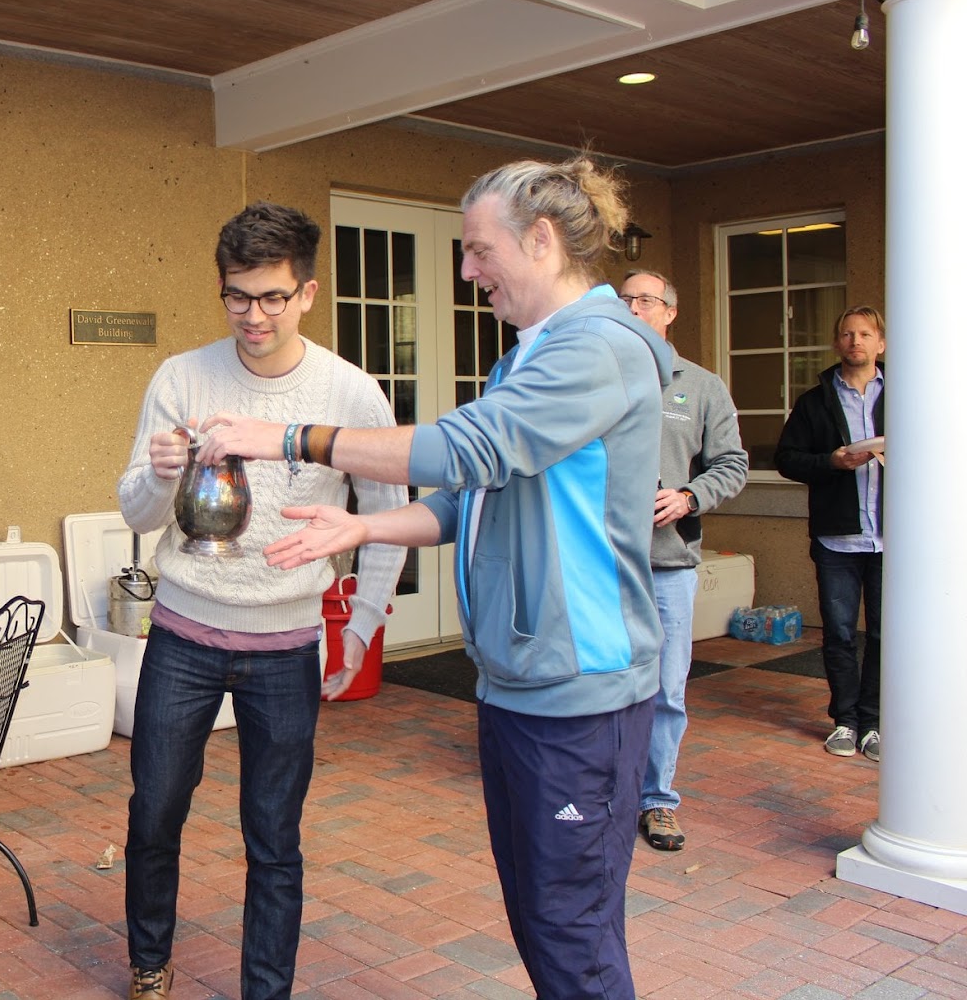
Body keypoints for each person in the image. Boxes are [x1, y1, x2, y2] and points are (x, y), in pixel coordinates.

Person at [198, 156, 669, 1000]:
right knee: (543, 921)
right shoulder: (530, 356)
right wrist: (365, 524)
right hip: (522, 686)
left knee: (572, 933)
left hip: (582, 691)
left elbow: (464, 448)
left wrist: (288, 438)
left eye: (478, 250)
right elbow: (465, 497)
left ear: (541, 238)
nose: (466, 271)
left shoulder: (597, 349)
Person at [117, 201, 407, 1000]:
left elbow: (385, 513)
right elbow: (137, 513)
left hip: (288, 645)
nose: (255, 315)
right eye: (238, 295)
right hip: (183, 633)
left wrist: (365, 623)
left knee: (274, 835)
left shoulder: (349, 391)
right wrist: (160, 469)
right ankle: (149, 961)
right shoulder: (180, 375)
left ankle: (266, 989)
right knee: (156, 811)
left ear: (307, 293)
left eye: (273, 296)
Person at [619, 270, 748, 853]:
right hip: (604, 563)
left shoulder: (700, 386)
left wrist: (689, 496)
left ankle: (657, 801)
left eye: (646, 300)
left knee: (667, 690)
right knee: (603, 684)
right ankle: (608, 795)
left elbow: (733, 463)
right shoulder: (598, 379)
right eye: (624, 300)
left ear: (670, 313)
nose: (634, 308)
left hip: (669, 566)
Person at [773, 306, 885, 763]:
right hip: (837, 537)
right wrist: (832, 463)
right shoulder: (815, 401)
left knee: (884, 634)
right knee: (839, 632)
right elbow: (787, 458)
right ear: (837, 343)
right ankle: (845, 720)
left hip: (893, 539)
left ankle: (874, 722)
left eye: (864, 334)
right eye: (846, 334)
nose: (855, 341)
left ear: (880, 342)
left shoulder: (912, 394)